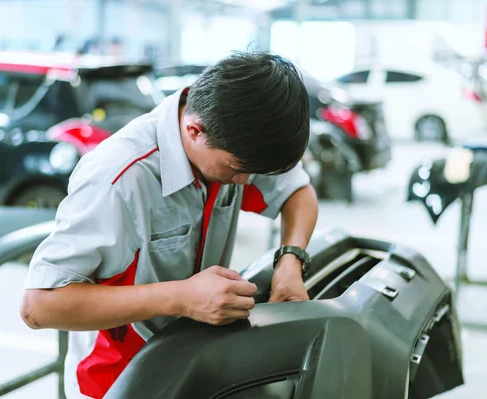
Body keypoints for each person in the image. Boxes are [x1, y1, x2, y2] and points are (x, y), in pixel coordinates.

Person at [20, 51, 318, 399]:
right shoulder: (118, 181)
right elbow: (39, 306)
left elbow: (298, 191)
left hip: (192, 361)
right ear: (194, 130)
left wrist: (290, 261)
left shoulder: (230, 139)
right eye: (237, 169)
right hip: (118, 381)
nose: (245, 181)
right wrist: (182, 298)